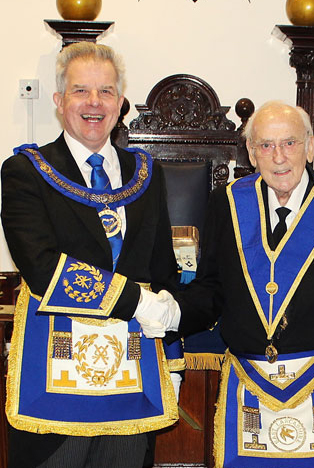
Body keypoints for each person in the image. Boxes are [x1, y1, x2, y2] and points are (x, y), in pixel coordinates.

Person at [136, 101, 314, 468]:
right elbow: (212, 290)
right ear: (252, 154)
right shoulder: (227, 204)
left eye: (289, 143)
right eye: (266, 146)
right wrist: (174, 311)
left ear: (310, 146)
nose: (279, 157)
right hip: (250, 388)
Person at [1, 41, 181, 468]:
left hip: (133, 364)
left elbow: (162, 269)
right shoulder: (27, 171)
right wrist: (138, 302)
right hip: (55, 361)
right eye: (81, 91)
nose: (94, 103)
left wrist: (172, 354)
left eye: (105, 92)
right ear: (60, 101)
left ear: (120, 102)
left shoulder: (146, 173)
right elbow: (43, 269)